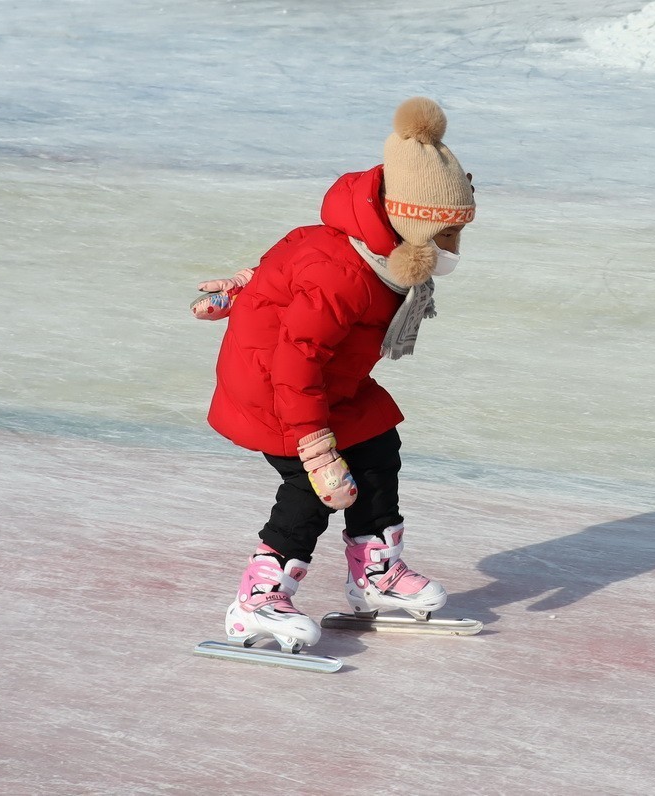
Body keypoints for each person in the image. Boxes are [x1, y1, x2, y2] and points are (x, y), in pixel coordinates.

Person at [191, 97, 476, 652]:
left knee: (376, 441)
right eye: (444, 235)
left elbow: (282, 272)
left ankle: (375, 575)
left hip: (327, 382)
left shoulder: (363, 251)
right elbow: (295, 360)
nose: (451, 249)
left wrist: (246, 291)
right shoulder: (343, 277)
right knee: (315, 486)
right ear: (411, 224)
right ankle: (257, 599)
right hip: (275, 392)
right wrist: (318, 450)